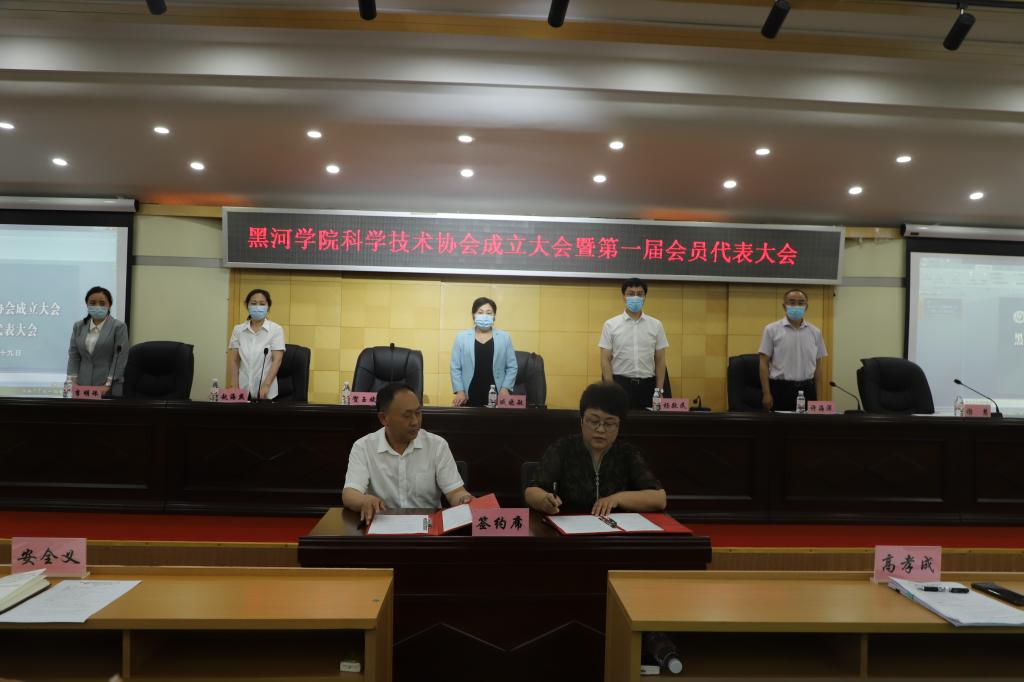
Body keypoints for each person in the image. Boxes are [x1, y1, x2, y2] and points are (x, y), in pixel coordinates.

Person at [524, 382, 666, 516]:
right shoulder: (564, 448)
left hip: (613, 531)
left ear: (619, 426)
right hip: (569, 529)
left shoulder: (627, 453)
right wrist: (544, 500)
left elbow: (659, 498)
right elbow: (531, 491)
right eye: (593, 421)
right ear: (581, 421)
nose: (600, 429)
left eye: (609, 424)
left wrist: (617, 498)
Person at [343, 383, 474, 522]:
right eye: (407, 416)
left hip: (428, 526)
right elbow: (350, 493)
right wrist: (364, 500)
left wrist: (464, 499)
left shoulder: (437, 445)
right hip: (383, 525)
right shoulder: (363, 447)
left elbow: (455, 492)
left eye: (418, 413)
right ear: (384, 418)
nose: (415, 422)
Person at [598, 277, 668, 410]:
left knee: (648, 422)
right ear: (623, 297)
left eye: (640, 294)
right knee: (621, 420)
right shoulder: (610, 325)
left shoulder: (656, 325)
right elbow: (605, 359)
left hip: (648, 385)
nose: (635, 297)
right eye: (630, 294)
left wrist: (659, 391)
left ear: (645, 297)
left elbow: (660, 360)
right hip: (620, 384)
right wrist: (610, 389)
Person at [758, 288, 828, 411]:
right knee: (780, 423)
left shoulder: (815, 332)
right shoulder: (771, 330)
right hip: (780, 389)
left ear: (806, 307)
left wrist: (819, 397)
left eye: (801, 303)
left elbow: (818, 367)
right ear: (784, 306)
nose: (796, 306)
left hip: (808, 389)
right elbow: (763, 363)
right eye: (792, 302)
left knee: (808, 424)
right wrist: (766, 393)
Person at [450, 296, 518, 406]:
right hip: (468, 395)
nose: (484, 316)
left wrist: (505, 388)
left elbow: (512, 367)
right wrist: (460, 391)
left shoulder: (504, 337)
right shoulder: (461, 337)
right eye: (480, 312)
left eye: (489, 313)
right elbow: (455, 367)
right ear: (473, 315)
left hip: (497, 394)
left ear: (494, 316)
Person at [66, 286, 130, 397]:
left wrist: (108, 384)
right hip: (81, 386)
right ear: (87, 304)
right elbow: (74, 355)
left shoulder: (118, 327)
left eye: (102, 303)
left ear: (109, 305)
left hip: (108, 386)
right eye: (92, 303)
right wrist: (72, 382)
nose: (97, 306)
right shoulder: (79, 326)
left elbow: (120, 357)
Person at [228, 288, 285, 400]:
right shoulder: (238, 330)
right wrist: (233, 385)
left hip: (266, 391)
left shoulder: (276, 330)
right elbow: (234, 360)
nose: (257, 307)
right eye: (253, 303)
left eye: (262, 304)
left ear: (268, 307)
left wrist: (266, 385)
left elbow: (277, 360)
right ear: (247, 306)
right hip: (242, 389)